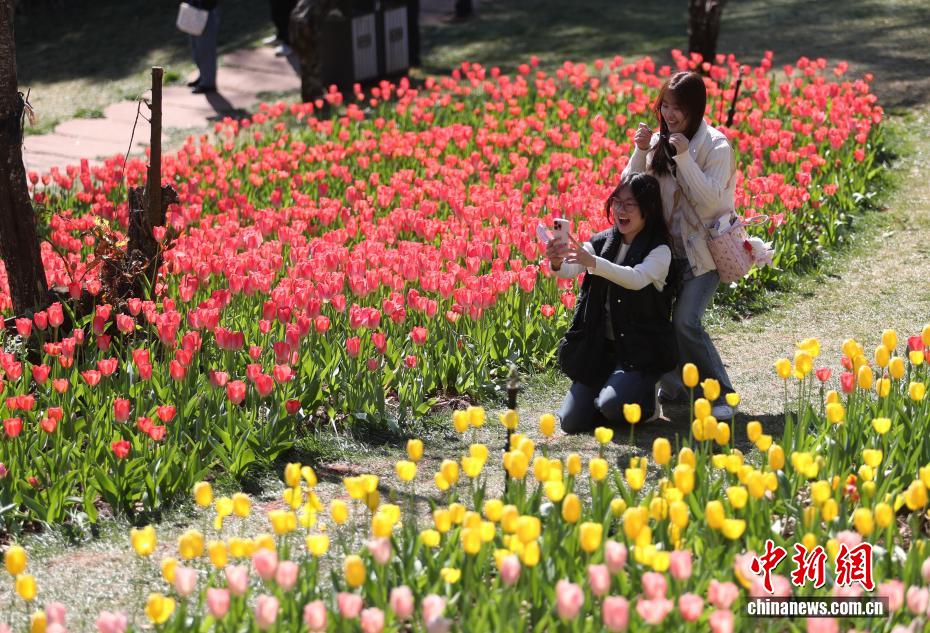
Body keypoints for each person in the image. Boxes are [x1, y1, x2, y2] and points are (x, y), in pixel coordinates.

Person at [621, 70, 738, 420]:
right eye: (665, 106)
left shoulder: (716, 146)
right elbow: (628, 192)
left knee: (686, 321)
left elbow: (712, 204)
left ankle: (722, 394)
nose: (670, 115)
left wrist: (685, 158)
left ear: (696, 109)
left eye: (678, 108)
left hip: (705, 252)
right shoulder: (658, 141)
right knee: (660, 321)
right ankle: (675, 386)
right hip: (664, 252)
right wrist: (641, 151)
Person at [548, 173, 678, 434]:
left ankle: (643, 402)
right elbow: (570, 271)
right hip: (599, 350)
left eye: (629, 204)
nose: (620, 210)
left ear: (648, 209)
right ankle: (609, 393)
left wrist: (594, 263)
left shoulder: (659, 250)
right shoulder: (603, 241)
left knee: (610, 406)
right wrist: (557, 261)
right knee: (571, 422)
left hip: (638, 352)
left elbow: (635, 278)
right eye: (617, 202)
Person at [186, 0, 219, 94]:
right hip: (193, 7)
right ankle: (203, 76)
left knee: (206, 48)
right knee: (196, 48)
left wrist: (205, 6)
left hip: (206, 10)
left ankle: (208, 84)